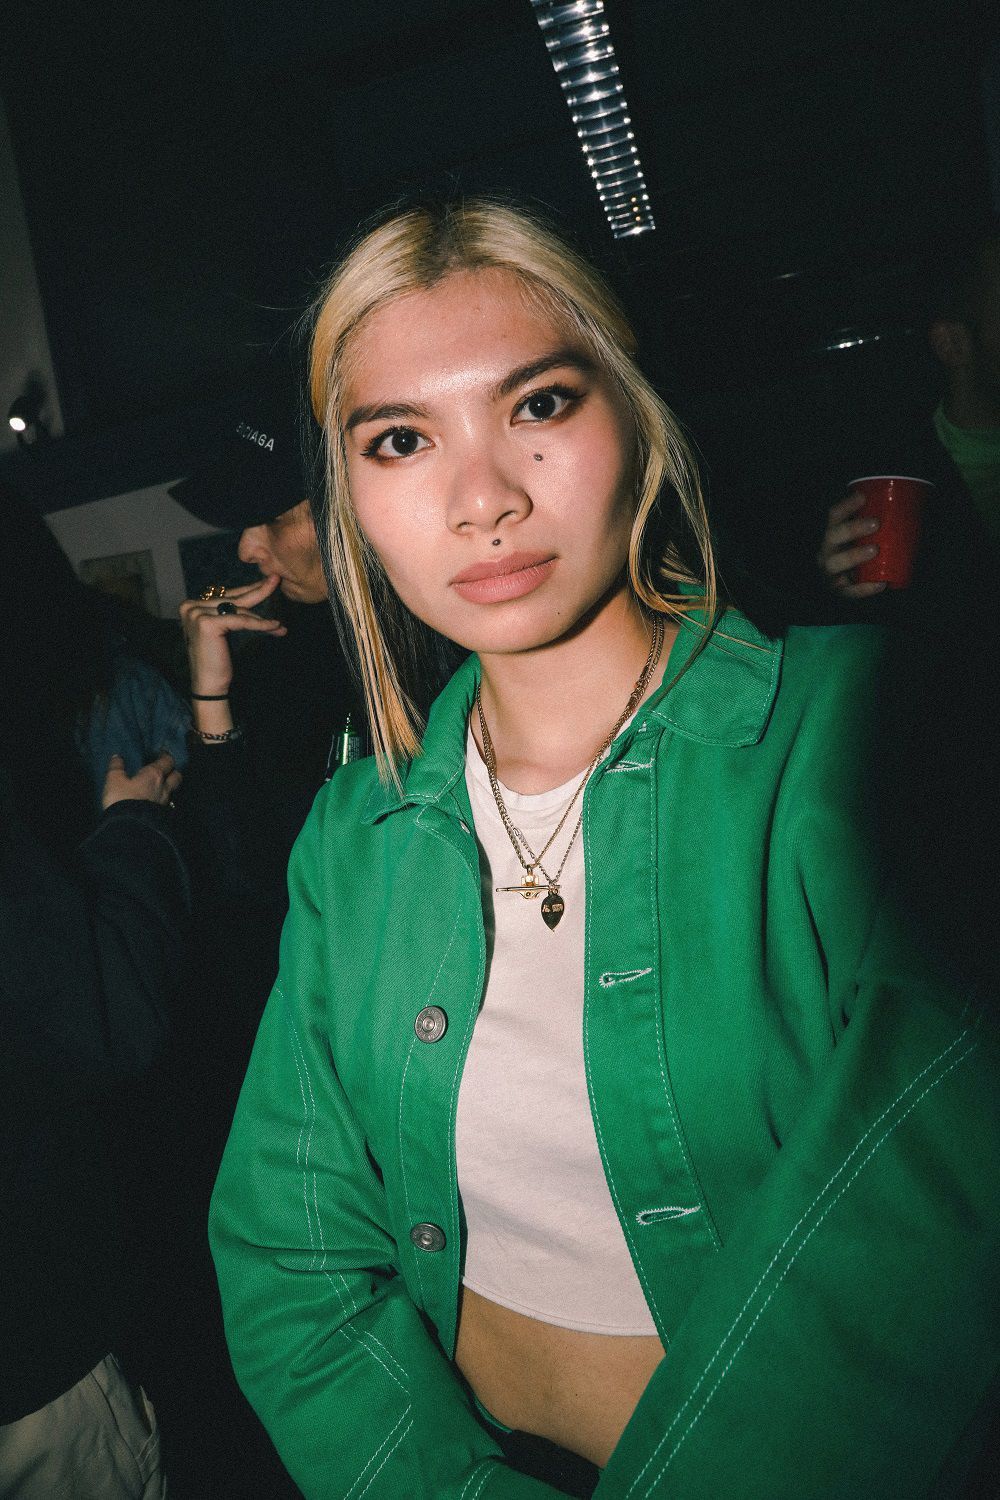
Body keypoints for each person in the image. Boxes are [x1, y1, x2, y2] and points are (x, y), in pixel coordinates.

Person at [208, 201, 1000, 1499]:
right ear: (350, 500)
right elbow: (288, 1258)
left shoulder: (875, 739)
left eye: (538, 405)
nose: (483, 499)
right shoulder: (353, 839)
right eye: (401, 439)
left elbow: (928, 1257)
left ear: (635, 419)